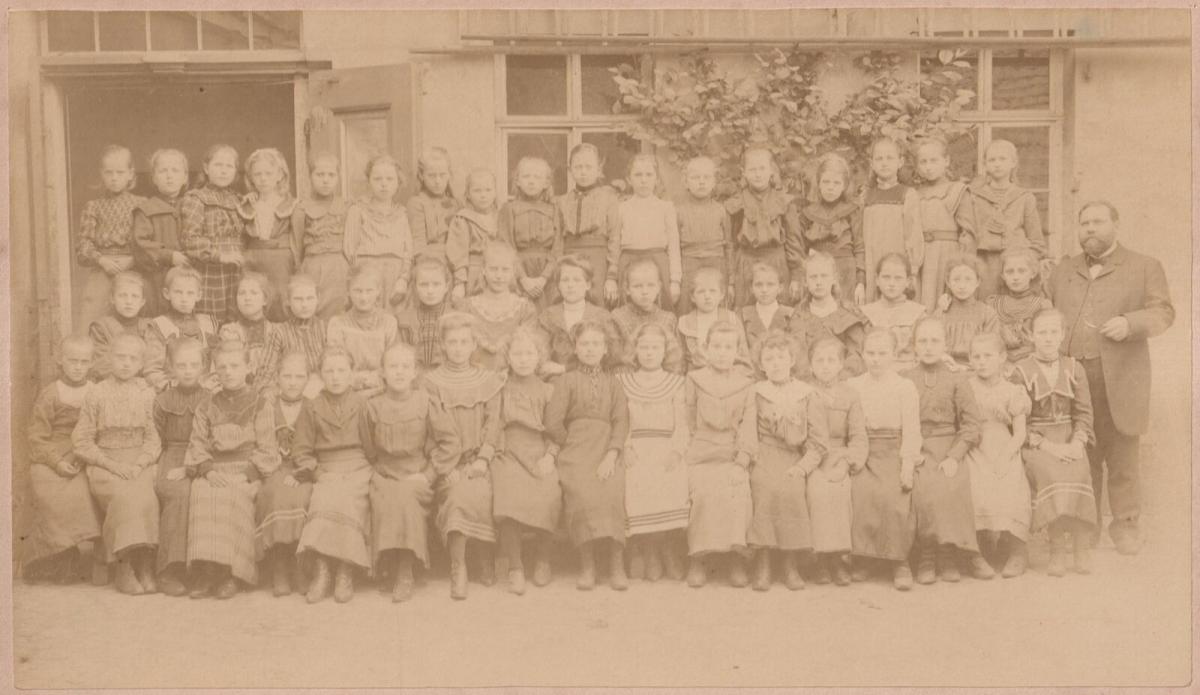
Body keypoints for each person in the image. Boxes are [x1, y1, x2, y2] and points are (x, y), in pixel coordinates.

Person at [1045, 200, 1174, 554]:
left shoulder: (1144, 266)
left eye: (1098, 222)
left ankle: (1126, 525)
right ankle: (1086, 526)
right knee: (1082, 451)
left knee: (1121, 452)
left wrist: (1131, 323)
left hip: (1119, 376)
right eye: (1084, 223)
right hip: (1074, 377)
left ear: (1116, 224)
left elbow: (1163, 312)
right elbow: (1043, 312)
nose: (1090, 229)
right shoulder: (1063, 270)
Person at [183, 341, 279, 599]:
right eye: (222, 367)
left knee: (233, 494)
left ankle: (231, 573)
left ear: (248, 368)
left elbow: (268, 449)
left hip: (246, 469)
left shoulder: (261, 404)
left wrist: (245, 474)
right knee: (201, 491)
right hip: (215, 468)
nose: (228, 372)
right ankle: (206, 571)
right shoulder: (206, 405)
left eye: (235, 366)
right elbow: (197, 444)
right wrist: (209, 471)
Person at [421, 312, 505, 600]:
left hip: (480, 459)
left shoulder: (489, 380)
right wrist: (444, 466)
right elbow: (427, 429)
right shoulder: (430, 383)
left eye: (464, 342)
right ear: (442, 345)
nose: (458, 348)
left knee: (484, 490)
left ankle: (484, 555)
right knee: (456, 496)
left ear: (474, 345)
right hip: (448, 463)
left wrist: (483, 458)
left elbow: (493, 422)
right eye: (452, 342)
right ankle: (459, 566)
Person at [71, 334, 162, 595]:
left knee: (146, 496)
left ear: (141, 363)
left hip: (139, 461)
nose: (125, 363)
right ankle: (123, 565)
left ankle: (144, 563)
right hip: (105, 463)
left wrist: (140, 463)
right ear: (109, 359)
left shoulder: (147, 392)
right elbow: (82, 441)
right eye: (120, 357)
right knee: (123, 496)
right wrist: (111, 464)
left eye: (132, 359)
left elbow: (154, 437)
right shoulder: (96, 393)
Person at [545, 320, 630, 591]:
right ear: (575, 348)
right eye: (584, 344)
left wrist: (612, 454)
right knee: (581, 492)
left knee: (612, 490)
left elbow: (620, 421)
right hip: (575, 449)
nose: (590, 349)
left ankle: (616, 564)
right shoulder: (566, 380)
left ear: (605, 349)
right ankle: (588, 564)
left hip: (606, 447)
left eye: (596, 344)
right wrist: (568, 444)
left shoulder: (613, 383)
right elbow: (553, 422)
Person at [903, 318, 989, 585]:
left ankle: (950, 553)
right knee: (924, 486)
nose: (929, 347)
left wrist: (955, 455)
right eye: (923, 341)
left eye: (935, 341)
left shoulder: (957, 378)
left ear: (946, 344)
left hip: (950, 445)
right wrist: (909, 452)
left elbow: (972, 424)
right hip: (917, 445)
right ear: (914, 346)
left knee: (953, 483)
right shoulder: (905, 379)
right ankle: (928, 553)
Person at [1013, 309, 1098, 575]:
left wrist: (1077, 443)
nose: (1048, 338)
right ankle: (1057, 548)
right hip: (1037, 441)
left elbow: (1084, 413)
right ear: (1032, 335)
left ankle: (1081, 547)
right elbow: (1017, 424)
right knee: (1051, 473)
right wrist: (1047, 446)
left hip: (1069, 436)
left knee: (1080, 469)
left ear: (1062, 335)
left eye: (1053, 332)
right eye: (1042, 332)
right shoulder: (1020, 371)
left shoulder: (1075, 368)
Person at [749, 331, 829, 591]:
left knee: (791, 490)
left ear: (792, 360)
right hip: (763, 453)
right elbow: (748, 432)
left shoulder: (807, 394)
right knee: (763, 486)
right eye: (769, 359)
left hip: (795, 456)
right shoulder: (756, 393)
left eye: (781, 357)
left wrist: (803, 467)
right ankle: (763, 561)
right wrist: (751, 458)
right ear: (761, 365)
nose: (776, 363)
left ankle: (790, 562)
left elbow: (818, 441)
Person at [294, 346, 375, 603]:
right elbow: (302, 450)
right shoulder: (312, 406)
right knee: (324, 498)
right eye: (329, 371)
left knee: (350, 498)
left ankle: (345, 570)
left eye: (342, 370)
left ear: (352, 374)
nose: (336, 377)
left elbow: (372, 445)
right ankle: (322, 570)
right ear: (319, 375)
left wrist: (370, 469)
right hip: (326, 469)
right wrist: (316, 472)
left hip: (359, 466)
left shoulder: (362, 403)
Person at [682, 320, 758, 588]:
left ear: (737, 350)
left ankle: (736, 558)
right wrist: (689, 451)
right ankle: (699, 558)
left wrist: (742, 460)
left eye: (729, 347)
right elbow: (687, 419)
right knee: (703, 493)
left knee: (737, 491)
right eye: (717, 346)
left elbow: (749, 426)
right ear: (706, 348)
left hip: (732, 451)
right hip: (701, 451)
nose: (723, 352)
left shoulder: (746, 384)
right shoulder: (695, 379)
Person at [846, 328, 921, 591]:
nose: (876, 359)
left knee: (894, 495)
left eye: (882, 353)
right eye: (871, 353)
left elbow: (912, 430)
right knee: (861, 491)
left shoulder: (904, 386)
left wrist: (908, 465)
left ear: (894, 355)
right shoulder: (853, 386)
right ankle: (865, 557)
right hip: (864, 449)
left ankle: (899, 560)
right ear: (862, 354)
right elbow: (850, 429)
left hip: (894, 450)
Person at [23, 336, 102, 584]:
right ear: (61, 360)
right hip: (53, 451)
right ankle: (60, 554)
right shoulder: (50, 393)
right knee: (44, 482)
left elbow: (102, 428)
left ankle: (76, 554)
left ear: (91, 363)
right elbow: (37, 437)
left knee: (81, 486)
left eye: (84, 361)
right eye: (72, 361)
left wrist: (86, 452)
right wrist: (56, 461)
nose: (78, 367)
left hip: (85, 450)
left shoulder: (96, 392)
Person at [491, 329, 562, 594]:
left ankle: (543, 558)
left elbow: (556, 430)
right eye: (517, 354)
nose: (523, 359)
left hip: (539, 448)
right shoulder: (499, 387)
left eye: (529, 353)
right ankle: (515, 566)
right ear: (508, 358)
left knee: (550, 491)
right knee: (509, 495)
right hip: (507, 449)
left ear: (539, 357)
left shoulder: (548, 390)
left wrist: (550, 455)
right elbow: (494, 424)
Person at [618, 323, 690, 583]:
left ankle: (666, 550)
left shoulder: (676, 382)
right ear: (635, 351)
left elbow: (683, 423)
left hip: (667, 446)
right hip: (636, 445)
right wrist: (626, 447)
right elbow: (621, 420)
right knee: (636, 479)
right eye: (644, 347)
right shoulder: (624, 382)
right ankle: (646, 552)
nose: (649, 353)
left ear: (665, 351)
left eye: (655, 348)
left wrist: (676, 450)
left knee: (672, 480)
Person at [366, 344, 436, 602]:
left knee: (406, 496)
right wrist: (378, 472)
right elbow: (368, 448)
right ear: (382, 372)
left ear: (415, 372)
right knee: (383, 495)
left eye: (405, 366)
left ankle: (406, 568)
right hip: (384, 472)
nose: (399, 372)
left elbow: (446, 444)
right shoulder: (372, 406)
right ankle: (387, 564)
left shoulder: (426, 402)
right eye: (392, 366)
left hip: (416, 473)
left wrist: (428, 475)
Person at [964, 332, 1032, 577]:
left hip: (1004, 445)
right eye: (976, 356)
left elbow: (1020, 433)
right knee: (975, 485)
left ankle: (1016, 549)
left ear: (1002, 357)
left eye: (988, 356)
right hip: (973, 446)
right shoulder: (966, 387)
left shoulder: (1013, 391)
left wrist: (1006, 455)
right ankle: (977, 551)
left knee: (1012, 485)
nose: (981, 362)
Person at [806, 337, 868, 586]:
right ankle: (820, 559)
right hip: (813, 455)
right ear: (810, 365)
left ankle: (839, 559)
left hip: (841, 455)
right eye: (819, 361)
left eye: (832, 360)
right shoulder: (805, 392)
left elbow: (858, 436)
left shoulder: (851, 396)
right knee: (817, 490)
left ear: (842, 364)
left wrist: (849, 461)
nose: (825, 366)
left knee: (842, 491)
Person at [151, 338, 208, 597]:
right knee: (178, 493)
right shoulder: (163, 400)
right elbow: (156, 437)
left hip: (203, 455)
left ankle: (201, 569)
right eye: (181, 365)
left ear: (203, 367)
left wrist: (196, 465)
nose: (187, 370)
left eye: (193, 365)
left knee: (205, 492)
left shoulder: (210, 398)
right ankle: (169, 569)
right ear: (171, 368)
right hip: (172, 454)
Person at [255, 352, 314, 597]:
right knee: (275, 493)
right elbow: (259, 442)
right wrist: (268, 468)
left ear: (307, 379)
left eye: (299, 377)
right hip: (273, 465)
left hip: (304, 469)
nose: (292, 382)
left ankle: (298, 565)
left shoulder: (313, 406)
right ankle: (279, 564)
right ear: (277, 378)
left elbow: (317, 445)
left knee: (300, 496)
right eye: (287, 376)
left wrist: (304, 471)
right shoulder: (267, 405)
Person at [962, 139, 1045, 299]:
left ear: (1013, 162)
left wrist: (1023, 265)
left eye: (1002, 159)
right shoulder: (973, 196)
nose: (997, 164)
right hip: (983, 265)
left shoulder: (1025, 197)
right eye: (992, 160)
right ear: (985, 164)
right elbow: (967, 235)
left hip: (1015, 267)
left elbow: (1037, 242)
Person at [76, 144, 143, 330]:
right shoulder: (93, 206)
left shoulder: (141, 205)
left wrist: (132, 259)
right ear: (101, 174)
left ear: (130, 174)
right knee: (93, 317)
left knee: (132, 319)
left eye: (120, 172)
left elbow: (146, 242)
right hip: (102, 269)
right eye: (109, 172)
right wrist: (101, 259)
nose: (114, 178)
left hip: (131, 268)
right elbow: (83, 244)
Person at [785, 152, 864, 306]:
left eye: (836, 183)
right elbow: (798, 247)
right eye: (826, 182)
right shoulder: (807, 213)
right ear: (818, 184)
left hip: (846, 269)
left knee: (844, 312)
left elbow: (860, 247)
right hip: (817, 271)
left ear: (844, 186)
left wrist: (860, 281)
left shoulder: (852, 211)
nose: (830, 188)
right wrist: (799, 275)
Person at [180, 144, 246, 323]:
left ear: (235, 171)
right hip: (210, 271)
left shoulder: (239, 200)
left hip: (237, 270)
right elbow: (189, 240)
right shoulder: (196, 198)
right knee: (210, 322)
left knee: (237, 319)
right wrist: (219, 255)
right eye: (218, 165)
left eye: (229, 166)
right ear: (206, 168)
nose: (223, 171)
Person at [555, 143, 622, 307]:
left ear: (598, 170)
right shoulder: (562, 201)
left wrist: (611, 275)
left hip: (598, 258)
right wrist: (558, 265)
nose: (583, 172)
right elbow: (558, 239)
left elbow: (615, 236)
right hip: (569, 257)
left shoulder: (609, 198)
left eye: (588, 167)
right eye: (578, 167)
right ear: (570, 170)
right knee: (569, 301)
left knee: (596, 302)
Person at [344, 154, 413, 309]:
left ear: (398, 183)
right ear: (369, 182)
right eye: (377, 179)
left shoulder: (401, 213)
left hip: (395, 275)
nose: (384, 184)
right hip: (366, 273)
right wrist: (360, 278)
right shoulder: (357, 210)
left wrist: (403, 279)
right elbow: (350, 250)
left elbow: (408, 252)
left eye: (390, 179)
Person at [726, 147, 793, 307]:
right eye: (752, 169)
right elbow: (730, 244)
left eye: (762, 168)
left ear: (771, 171)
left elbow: (793, 241)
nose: (757, 174)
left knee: (779, 315)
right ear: (744, 173)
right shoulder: (736, 203)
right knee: (745, 313)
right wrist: (731, 280)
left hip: (776, 263)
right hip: (745, 265)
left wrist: (797, 275)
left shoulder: (784, 201)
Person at [537, 254, 622, 378]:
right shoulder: (548, 316)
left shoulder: (602, 316)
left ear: (588, 285)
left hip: (592, 377)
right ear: (558, 285)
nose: (570, 285)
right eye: (565, 280)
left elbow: (611, 356)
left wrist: (564, 368)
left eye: (577, 280)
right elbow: (540, 351)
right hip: (555, 379)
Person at [238, 148, 298, 322]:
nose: (263, 179)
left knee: (281, 302)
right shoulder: (246, 205)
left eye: (268, 173)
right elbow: (242, 238)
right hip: (253, 261)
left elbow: (297, 240)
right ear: (251, 178)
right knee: (254, 301)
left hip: (280, 262)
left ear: (279, 175)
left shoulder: (291, 205)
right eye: (257, 174)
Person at [861, 137, 923, 303]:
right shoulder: (866, 197)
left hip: (897, 264)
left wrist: (913, 270)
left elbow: (913, 235)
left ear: (900, 162)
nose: (884, 163)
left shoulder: (907, 194)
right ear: (872, 163)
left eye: (890, 158)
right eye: (879, 159)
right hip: (872, 264)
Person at [786, 252, 867, 380]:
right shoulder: (798, 315)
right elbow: (797, 354)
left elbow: (856, 354)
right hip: (809, 381)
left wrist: (841, 377)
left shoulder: (849, 312)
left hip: (843, 380)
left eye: (824, 276)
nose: (819, 282)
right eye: (813, 277)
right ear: (805, 281)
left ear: (834, 278)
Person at [913, 138, 972, 312]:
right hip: (921, 255)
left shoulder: (957, 190)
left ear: (946, 161)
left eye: (934, 160)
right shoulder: (914, 194)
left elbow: (968, 233)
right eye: (923, 162)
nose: (928, 167)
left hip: (947, 255)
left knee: (945, 302)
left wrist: (963, 266)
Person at [458, 242, 538, 370]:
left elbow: (528, 348)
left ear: (513, 272)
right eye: (493, 269)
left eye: (505, 270)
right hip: (475, 376)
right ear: (484, 270)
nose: (499, 276)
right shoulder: (468, 307)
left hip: (512, 376)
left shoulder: (524, 308)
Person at [326, 262, 400, 398]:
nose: (363, 297)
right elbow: (336, 361)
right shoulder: (337, 323)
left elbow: (393, 360)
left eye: (369, 291)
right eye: (358, 291)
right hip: (347, 388)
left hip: (383, 388)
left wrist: (375, 379)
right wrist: (355, 381)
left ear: (378, 291)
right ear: (348, 291)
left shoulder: (389, 322)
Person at [617, 153, 682, 309]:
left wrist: (675, 280)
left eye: (649, 174)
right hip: (628, 262)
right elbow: (614, 244)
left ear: (657, 179)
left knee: (661, 309)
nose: (644, 180)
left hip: (659, 262)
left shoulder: (666, 207)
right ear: (629, 179)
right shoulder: (621, 208)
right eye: (638, 175)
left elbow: (674, 246)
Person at [132, 148, 189, 316]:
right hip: (157, 278)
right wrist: (169, 256)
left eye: (175, 170)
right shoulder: (146, 209)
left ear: (185, 177)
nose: (169, 176)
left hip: (187, 276)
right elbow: (140, 245)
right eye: (163, 171)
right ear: (154, 178)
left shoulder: (192, 206)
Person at [143, 267, 219, 392]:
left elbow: (216, 364)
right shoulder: (160, 326)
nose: (184, 298)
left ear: (198, 295)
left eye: (190, 293)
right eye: (178, 292)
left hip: (206, 389)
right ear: (167, 294)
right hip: (172, 391)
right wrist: (171, 387)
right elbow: (152, 370)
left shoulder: (208, 324)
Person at [674, 156, 733, 317]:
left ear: (714, 182)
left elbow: (729, 246)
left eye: (706, 177)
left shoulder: (721, 210)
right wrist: (676, 280)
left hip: (716, 263)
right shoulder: (678, 212)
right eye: (695, 177)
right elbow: (674, 249)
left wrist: (731, 281)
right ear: (685, 182)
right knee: (687, 308)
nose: (701, 182)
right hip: (688, 265)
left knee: (717, 309)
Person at [499, 157, 561, 309]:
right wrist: (523, 279)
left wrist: (544, 278)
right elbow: (506, 246)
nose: (531, 181)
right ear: (517, 181)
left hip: (547, 273)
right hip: (518, 270)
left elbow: (558, 246)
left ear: (546, 183)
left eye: (537, 177)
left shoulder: (553, 210)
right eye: (526, 176)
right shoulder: (509, 209)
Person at [295, 153, 350, 321]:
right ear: (310, 176)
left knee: (338, 310)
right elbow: (297, 245)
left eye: (331, 175)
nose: (325, 180)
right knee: (312, 308)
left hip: (339, 268)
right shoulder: (301, 208)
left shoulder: (347, 206)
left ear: (338, 177)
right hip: (312, 266)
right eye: (320, 174)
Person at [256, 274, 326, 398]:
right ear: (288, 301)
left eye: (310, 298)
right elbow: (265, 371)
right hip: (290, 390)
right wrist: (267, 390)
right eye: (298, 299)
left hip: (321, 390)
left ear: (318, 299)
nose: (304, 304)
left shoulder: (324, 328)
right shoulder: (280, 332)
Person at [609, 258, 682, 373]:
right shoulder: (617, 317)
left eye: (651, 285)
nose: (644, 291)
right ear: (627, 289)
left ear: (659, 287)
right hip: (628, 377)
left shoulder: (668, 319)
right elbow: (614, 360)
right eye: (637, 286)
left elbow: (675, 361)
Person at [677, 267, 752, 374]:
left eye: (712, 291)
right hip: (697, 377)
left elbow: (744, 358)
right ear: (692, 297)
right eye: (701, 291)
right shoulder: (685, 323)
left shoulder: (732, 319)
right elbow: (679, 361)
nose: (707, 296)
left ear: (721, 294)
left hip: (728, 376)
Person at [860, 254, 926, 373]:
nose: (891, 283)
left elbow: (923, 351)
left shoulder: (918, 313)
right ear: (877, 280)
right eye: (886, 277)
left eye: (898, 278)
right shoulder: (866, 313)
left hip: (908, 371)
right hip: (874, 372)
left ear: (908, 281)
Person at [986, 246, 1052, 367]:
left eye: (1022, 271)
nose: (1015, 277)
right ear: (1002, 275)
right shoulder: (993, 304)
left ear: (1032, 273)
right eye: (1009, 272)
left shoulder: (1042, 306)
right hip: (999, 365)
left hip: (1033, 364)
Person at [216, 271, 281, 388]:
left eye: (254, 293)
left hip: (272, 388)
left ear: (265, 300)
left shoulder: (277, 331)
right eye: (241, 293)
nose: (247, 298)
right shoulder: (229, 331)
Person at [934, 254, 1000, 368]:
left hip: (977, 368)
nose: (962, 286)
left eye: (968, 279)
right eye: (956, 280)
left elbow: (991, 347)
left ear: (978, 281)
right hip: (945, 366)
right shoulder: (941, 313)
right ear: (948, 282)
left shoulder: (987, 313)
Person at [87, 271, 152, 382]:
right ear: (112, 298)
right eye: (122, 295)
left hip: (143, 385)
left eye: (135, 296)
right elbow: (101, 365)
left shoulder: (150, 327)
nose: (129, 302)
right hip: (112, 384)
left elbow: (153, 361)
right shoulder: (101, 327)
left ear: (142, 302)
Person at [447, 168, 501, 299]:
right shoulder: (463, 219)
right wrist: (460, 283)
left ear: (495, 193)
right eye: (477, 191)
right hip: (473, 272)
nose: (483, 195)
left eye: (488, 190)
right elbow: (458, 253)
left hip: (498, 272)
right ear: (468, 194)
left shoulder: (500, 217)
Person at [407, 146, 462, 274]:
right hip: (429, 266)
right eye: (431, 176)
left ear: (449, 174)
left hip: (456, 264)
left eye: (442, 175)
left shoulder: (457, 204)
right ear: (421, 176)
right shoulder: (416, 203)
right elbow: (418, 245)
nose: (437, 181)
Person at [395, 255, 453, 371]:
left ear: (446, 286)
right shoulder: (404, 319)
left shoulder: (456, 318)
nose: (430, 291)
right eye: (424, 285)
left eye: (436, 284)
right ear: (415, 287)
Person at [739, 262, 794, 364]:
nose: (764, 290)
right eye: (759, 285)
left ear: (780, 288)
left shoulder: (790, 315)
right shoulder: (743, 315)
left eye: (770, 284)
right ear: (751, 288)